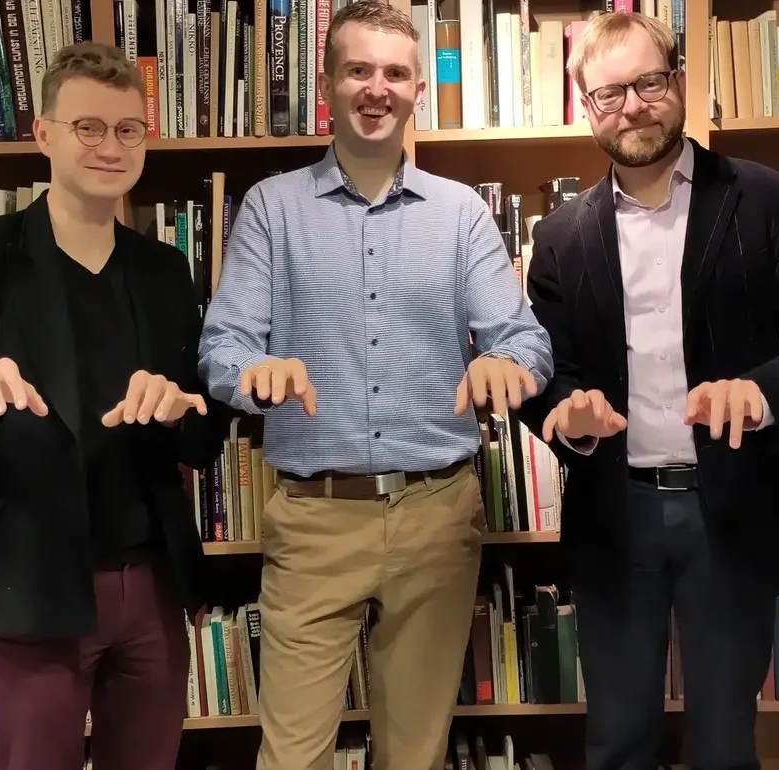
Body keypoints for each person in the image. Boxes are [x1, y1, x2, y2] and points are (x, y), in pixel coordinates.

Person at [197, 2, 554, 768]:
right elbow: (222, 347)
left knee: (416, 752)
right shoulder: (271, 208)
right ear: (328, 83)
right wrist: (251, 374)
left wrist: (506, 364)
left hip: (437, 513)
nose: (376, 87)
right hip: (315, 519)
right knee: (291, 755)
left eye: (394, 72)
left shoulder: (460, 214)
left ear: (417, 88)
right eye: (358, 69)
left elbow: (525, 342)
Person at [519, 11, 779, 770]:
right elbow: (543, 373)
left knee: (721, 745)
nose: (633, 106)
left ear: (677, 83)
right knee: (616, 741)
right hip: (616, 518)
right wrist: (564, 412)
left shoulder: (772, 201)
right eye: (609, 93)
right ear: (587, 109)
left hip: (734, 515)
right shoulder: (559, 237)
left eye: (648, 83)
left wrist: (762, 390)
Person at [0, 41, 227, 770]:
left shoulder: (166, 269)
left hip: (150, 584)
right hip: (30, 582)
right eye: (88, 127)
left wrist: (182, 411)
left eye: (127, 130)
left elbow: (204, 441)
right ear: (43, 134)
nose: (110, 147)